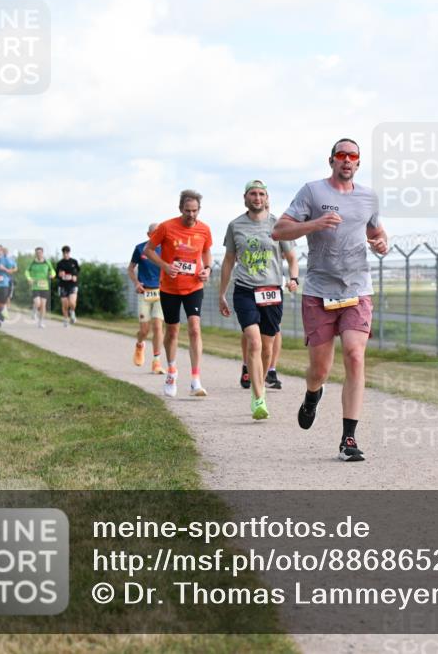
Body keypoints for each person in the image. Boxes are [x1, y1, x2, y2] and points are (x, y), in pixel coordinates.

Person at [272, 138, 388, 461]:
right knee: (319, 370)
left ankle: (348, 439)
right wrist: (315, 224)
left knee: (354, 355)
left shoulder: (368, 197)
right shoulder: (312, 192)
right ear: (332, 160)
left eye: (353, 156)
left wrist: (380, 244)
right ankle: (312, 394)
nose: (347, 160)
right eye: (341, 155)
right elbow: (279, 231)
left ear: (359, 163)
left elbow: (377, 232)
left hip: (357, 289)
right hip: (320, 291)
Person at [219, 180, 299, 419]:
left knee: (268, 347)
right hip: (245, 289)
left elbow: (292, 257)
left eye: (261, 194)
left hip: (272, 289)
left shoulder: (279, 224)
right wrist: (222, 294)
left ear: (267, 198)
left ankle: (259, 384)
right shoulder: (235, 226)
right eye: (253, 194)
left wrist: (293, 278)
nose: (257, 198)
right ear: (245, 198)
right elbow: (228, 261)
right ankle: (259, 397)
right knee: (253, 342)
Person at [144, 189, 214, 397]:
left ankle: (195, 380)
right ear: (180, 209)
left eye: (194, 211)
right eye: (187, 210)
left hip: (194, 286)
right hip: (169, 288)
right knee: (172, 330)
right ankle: (172, 371)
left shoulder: (204, 230)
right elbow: (148, 250)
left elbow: (206, 251)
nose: (191, 215)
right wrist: (165, 266)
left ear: (199, 210)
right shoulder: (166, 227)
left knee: (194, 328)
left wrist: (207, 269)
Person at [128, 223, 165, 374]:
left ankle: (156, 361)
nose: (157, 235)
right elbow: (130, 268)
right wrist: (136, 283)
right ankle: (140, 344)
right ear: (148, 234)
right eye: (154, 233)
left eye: (159, 232)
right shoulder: (140, 248)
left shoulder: (166, 249)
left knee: (157, 326)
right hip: (145, 292)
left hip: (161, 292)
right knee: (144, 330)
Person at [26, 247, 55, 328]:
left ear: (42, 253)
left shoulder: (47, 262)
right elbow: (27, 271)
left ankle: (41, 322)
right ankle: (34, 311)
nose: (38, 254)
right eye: (37, 253)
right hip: (35, 286)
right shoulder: (33, 262)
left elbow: (52, 270)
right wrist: (29, 278)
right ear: (35, 254)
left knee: (43, 305)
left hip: (44, 286)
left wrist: (52, 275)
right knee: (37, 303)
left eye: (40, 252)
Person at [56, 246, 81, 327]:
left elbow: (78, 271)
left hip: (73, 285)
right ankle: (65, 320)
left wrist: (74, 276)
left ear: (69, 253)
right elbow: (57, 274)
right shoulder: (60, 263)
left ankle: (72, 312)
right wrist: (60, 275)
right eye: (64, 253)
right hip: (63, 285)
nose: (66, 254)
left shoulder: (74, 262)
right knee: (65, 304)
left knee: (72, 303)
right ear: (62, 253)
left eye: (67, 253)